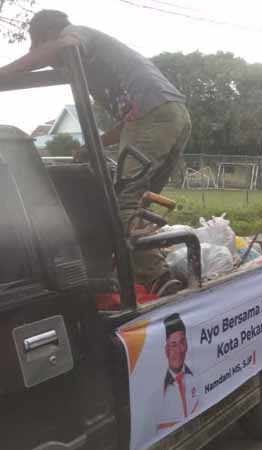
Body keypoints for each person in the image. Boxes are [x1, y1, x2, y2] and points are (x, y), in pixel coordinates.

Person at [0, 10, 191, 293]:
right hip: (175, 116)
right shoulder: (98, 66)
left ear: (47, 36)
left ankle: (158, 279)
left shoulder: (75, 34)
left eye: (40, 48)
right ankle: (136, 268)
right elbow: (131, 121)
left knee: (122, 204)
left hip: (153, 117)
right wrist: (94, 144)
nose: (49, 59)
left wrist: (4, 73)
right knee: (139, 202)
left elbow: (64, 45)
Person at [158, 313, 200, 431]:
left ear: (187, 344)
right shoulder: (157, 394)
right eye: (173, 345)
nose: (180, 350)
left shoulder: (197, 376)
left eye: (182, 343)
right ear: (166, 350)